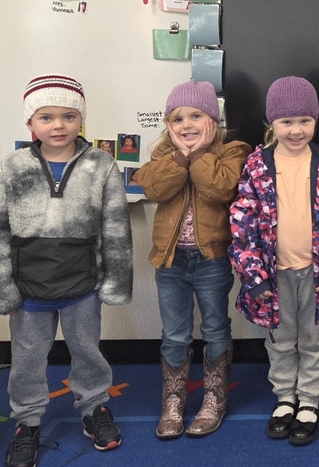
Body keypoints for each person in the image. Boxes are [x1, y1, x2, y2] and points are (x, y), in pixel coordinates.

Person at [0, 74, 133, 467]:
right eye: (47, 117)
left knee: (87, 350)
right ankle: (28, 421)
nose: (58, 125)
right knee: (27, 358)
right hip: (27, 287)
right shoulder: (11, 168)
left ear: (81, 120)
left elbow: (115, 226)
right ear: (30, 124)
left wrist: (115, 279)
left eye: (69, 116)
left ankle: (94, 407)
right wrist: (1, 285)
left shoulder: (101, 164)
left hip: (82, 284)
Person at [229, 76, 319, 446]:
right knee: (281, 340)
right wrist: (254, 275)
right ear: (272, 123)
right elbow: (242, 222)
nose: (296, 130)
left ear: (316, 120)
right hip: (274, 276)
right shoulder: (257, 165)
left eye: (304, 120)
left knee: (316, 340)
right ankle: (285, 397)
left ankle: (309, 401)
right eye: (286, 122)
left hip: (318, 276)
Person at [134, 80, 250, 439]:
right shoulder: (161, 158)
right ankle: (174, 401)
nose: (187, 125)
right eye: (178, 118)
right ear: (168, 124)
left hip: (211, 259)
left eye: (196, 116)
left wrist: (199, 154)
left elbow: (220, 191)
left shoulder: (233, 152)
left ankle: (215, 397)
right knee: (175, 335)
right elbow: (155, 188)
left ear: (213, 120)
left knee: (215, 327)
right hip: (170, 263)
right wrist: (181, 156)